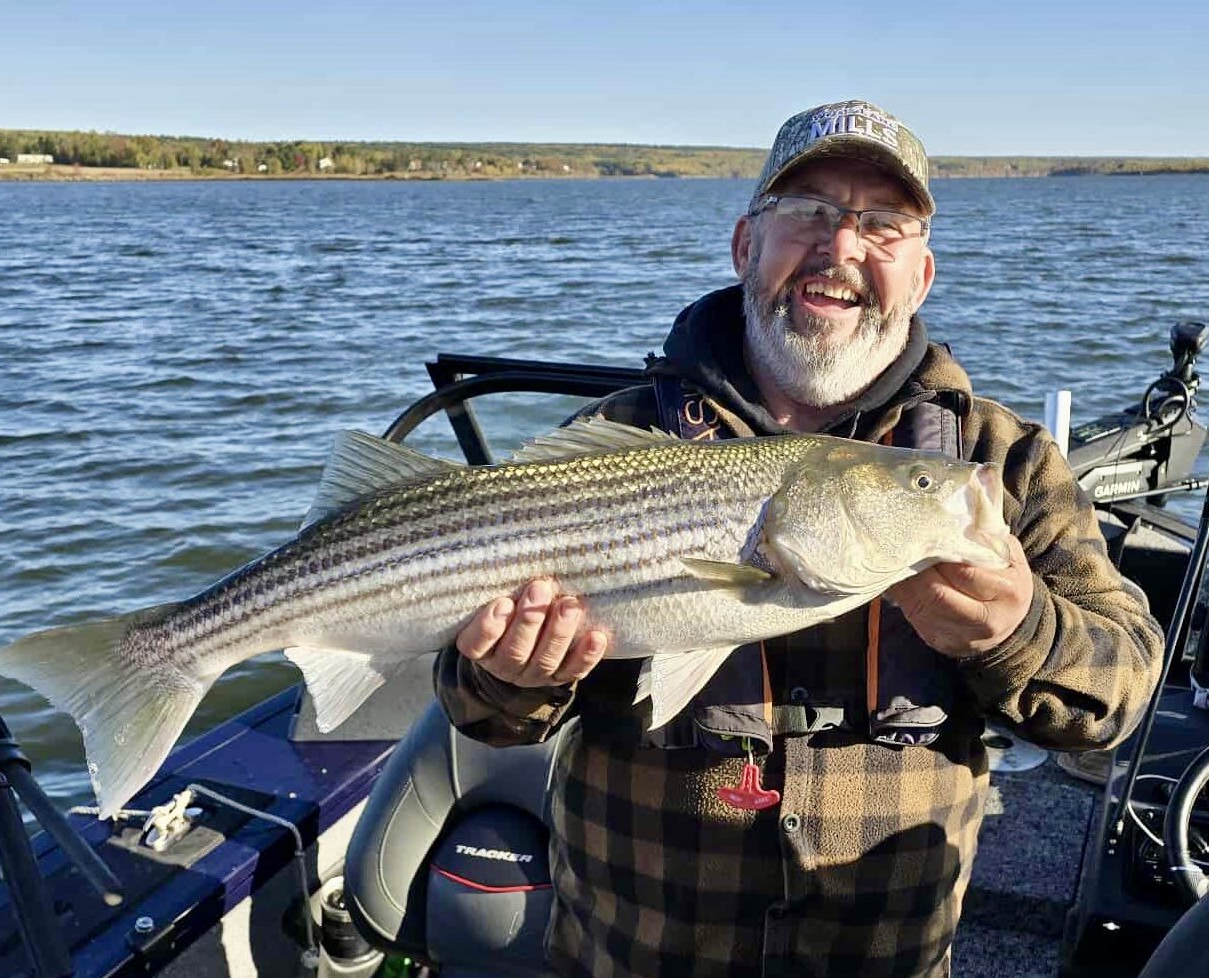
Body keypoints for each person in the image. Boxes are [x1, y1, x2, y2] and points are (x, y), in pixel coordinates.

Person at [432, 100, 1164, 978]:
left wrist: (1018, 633)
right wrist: (506, 677)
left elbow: (1118, 697)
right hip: (633, 949)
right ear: (747, 245)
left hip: (884, 955)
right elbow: (480, 711)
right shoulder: (613, 441)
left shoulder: (999, 463)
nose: (841, 250)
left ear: (920, 275)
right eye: (807, 216)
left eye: (881, 226)